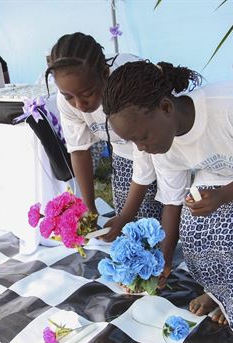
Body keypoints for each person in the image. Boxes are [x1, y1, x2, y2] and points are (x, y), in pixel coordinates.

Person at [101, 60, 233, 330]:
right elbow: (173, 202)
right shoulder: (162, 146)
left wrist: (222, 198)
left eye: (143, 137)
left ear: (165, 107)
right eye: (133, 142)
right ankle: (219, 292)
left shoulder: (230, 107)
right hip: (222, 170)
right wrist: (164, 262)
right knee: (194, 226)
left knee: (232, 226)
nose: (141, 148)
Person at [45, 32, 162, 229]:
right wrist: (89, 208)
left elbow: (145, 154)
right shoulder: (68, 101)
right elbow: (79, 150)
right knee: (130, 229)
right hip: (124, 152)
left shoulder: (129, 83)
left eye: (87, 94)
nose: (79, 104)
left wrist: (126, 215)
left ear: (105, 74)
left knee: (157, 221)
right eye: (69, 97)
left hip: (162, 146)